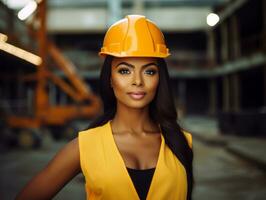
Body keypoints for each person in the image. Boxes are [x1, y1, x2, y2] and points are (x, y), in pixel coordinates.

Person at [15, 15, 194, 200]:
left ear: (159, 78)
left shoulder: (181, 142)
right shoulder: (85, 146)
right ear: (110, 78)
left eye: (149, 71)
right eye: (125, 70)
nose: (138, 81)